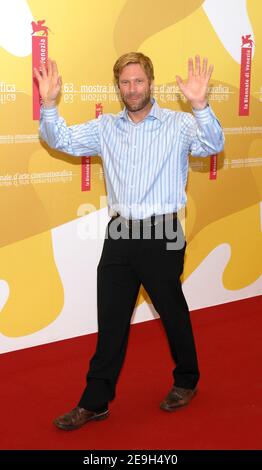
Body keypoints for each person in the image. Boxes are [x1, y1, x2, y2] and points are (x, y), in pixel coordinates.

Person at [34, 52, 224, 431]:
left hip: (163, 234)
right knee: (112, 322)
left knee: (172, 314)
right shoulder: (106, 127)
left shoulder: (179, 124)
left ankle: (187, 379)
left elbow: (212, 144)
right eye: (125, 82)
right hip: (120, 234)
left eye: (138, 81)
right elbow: (61, 139)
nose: (132, 88)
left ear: (150, 82)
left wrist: (201, 105)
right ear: (117, 86)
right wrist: (50, 104)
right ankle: (96, 401)